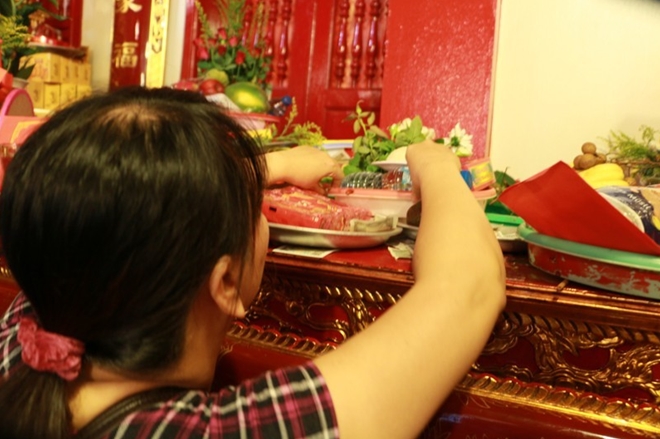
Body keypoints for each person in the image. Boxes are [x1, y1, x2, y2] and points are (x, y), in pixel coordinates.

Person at [0, 86, 506, 439]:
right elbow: (469, 284)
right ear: (225, 282)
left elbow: (114, 209)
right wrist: (437, 165)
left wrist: (276, 164)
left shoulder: (26, 336)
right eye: (256, 209)